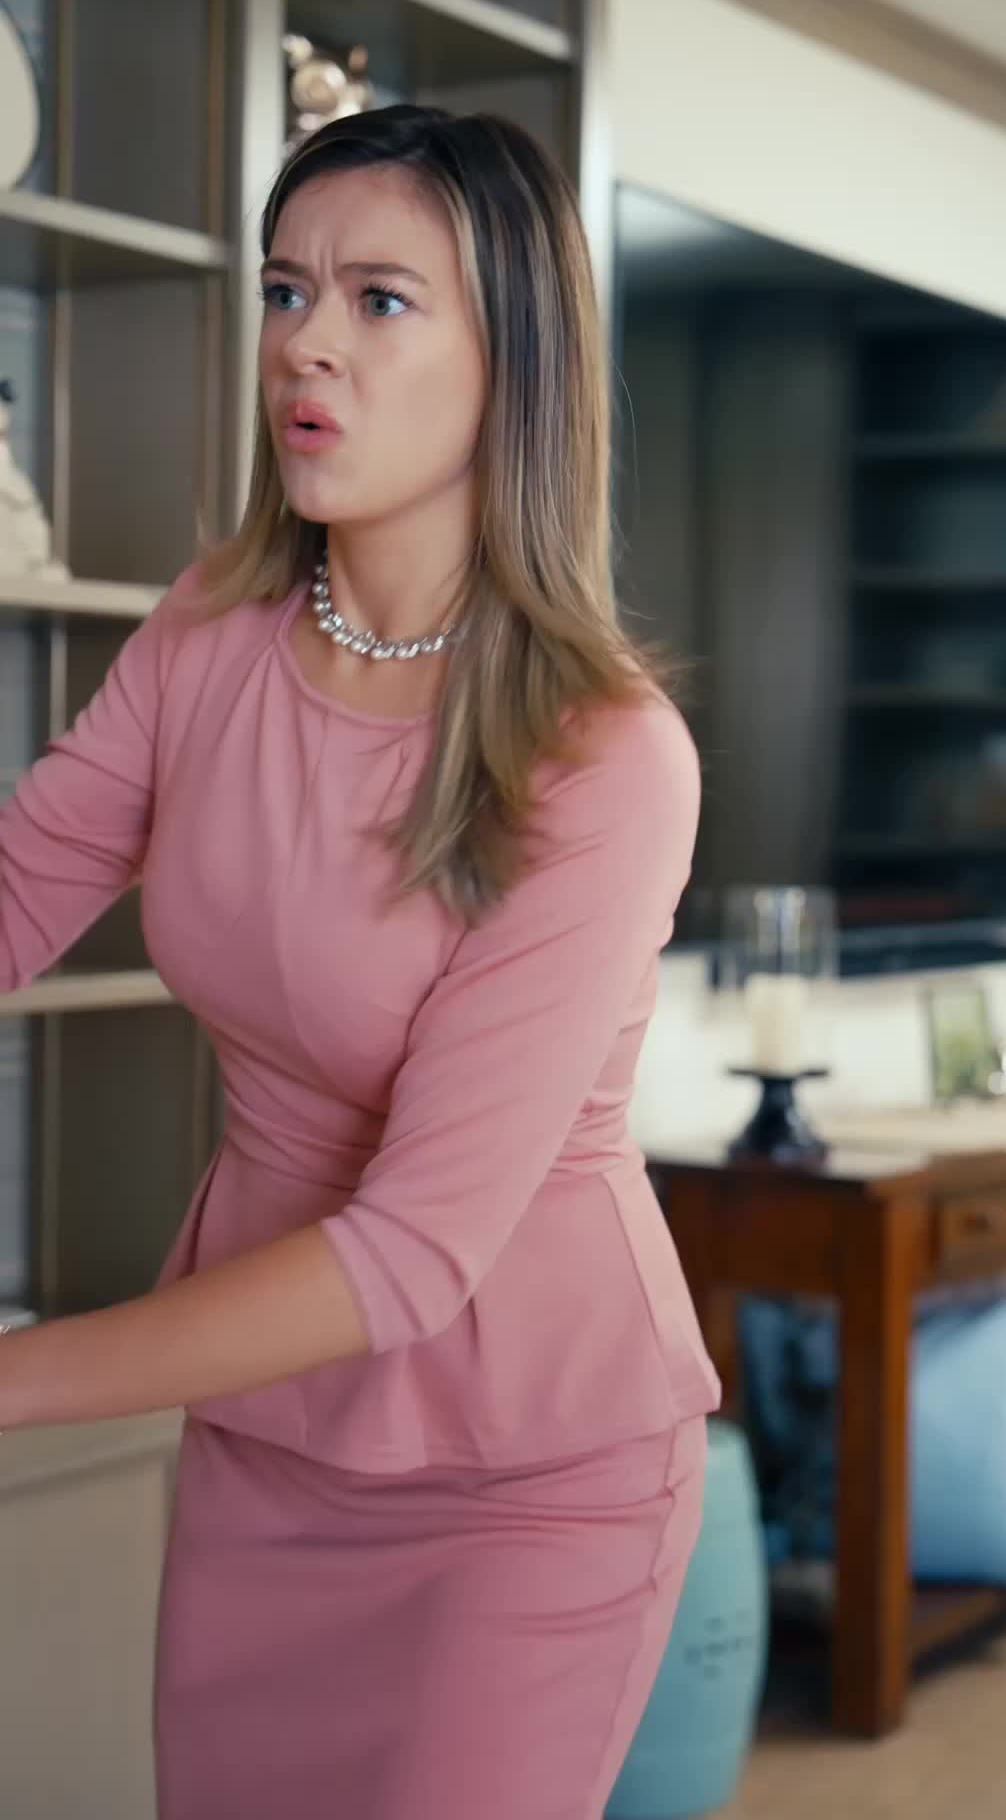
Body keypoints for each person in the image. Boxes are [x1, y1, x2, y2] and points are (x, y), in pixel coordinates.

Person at [0, 104, 721, 1820]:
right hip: (272, 1432)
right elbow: (21, 882)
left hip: (529, 1479)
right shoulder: (212, 628)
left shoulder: (607, 757)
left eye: (381, 299)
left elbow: (411, 1251)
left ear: (514, 362)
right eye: (285, 289)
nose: (305, 342)